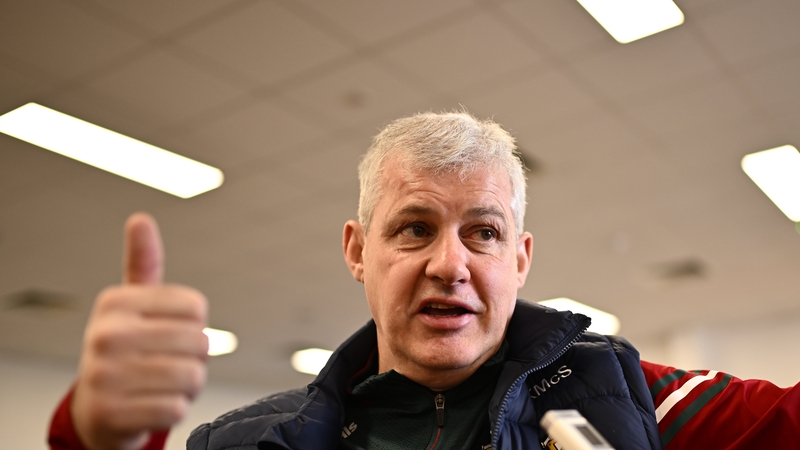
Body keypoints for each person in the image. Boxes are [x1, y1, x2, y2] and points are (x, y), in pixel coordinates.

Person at [49, 112, 799, 450]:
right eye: (414, 228)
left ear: (520, 260)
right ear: (357, 251)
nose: (450, 264)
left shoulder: (631, 399)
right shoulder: (244, 444)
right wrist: (96, 440)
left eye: (484, 232)